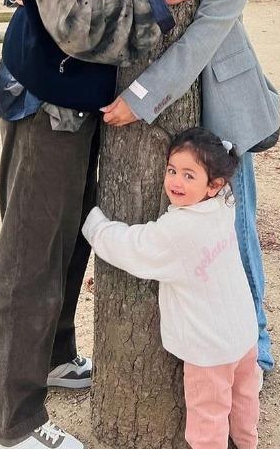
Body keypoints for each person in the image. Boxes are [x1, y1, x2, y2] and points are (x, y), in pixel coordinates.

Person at [0, 0, 211, 449]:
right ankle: (11, 427)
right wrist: (158, 0)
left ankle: (53, 359)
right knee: (31, 264)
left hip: (74, 98)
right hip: (45, 97)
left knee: (66, 243)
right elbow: (75, 23)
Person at [99, 0, 280, 372]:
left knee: (236, 228)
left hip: (225, 105)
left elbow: (206, 33)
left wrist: (142, 97)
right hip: (179, 95)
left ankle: (256, 351)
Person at [83, 128, 261, 449]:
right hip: (244, 334)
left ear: (213, 185)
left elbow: (133, 247)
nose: (176, 182)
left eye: (189, 175)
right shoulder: (223, 207)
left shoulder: (178, 231)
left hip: (209, 349)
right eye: (172, 170)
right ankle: (248, 443)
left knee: (208, 418)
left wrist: (95, 226)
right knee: (244, 400)